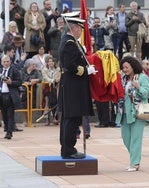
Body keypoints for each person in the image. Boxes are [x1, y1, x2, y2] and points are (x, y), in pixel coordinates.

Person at [58, 17, 96, 159]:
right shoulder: (69, 43)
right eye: (79, 29)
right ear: (73, 29)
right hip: (73, 85)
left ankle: (67, 148)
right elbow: (70, 65)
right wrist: (86, 71)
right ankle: (68, 149)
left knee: (70, 118)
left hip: (71, 85)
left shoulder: (71, 42)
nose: (80, 32)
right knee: (72, 118)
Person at [116, 56, 149, 172]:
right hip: (124, 113)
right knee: (126, 138)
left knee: (136, 139)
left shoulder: (142, 77)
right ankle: (134, 158)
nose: (124, 69)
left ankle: (134, 163)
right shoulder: (123, 79)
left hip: (137, 112)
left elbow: (146, 94)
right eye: (123, 67)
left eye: (126, 67)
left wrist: (138, 87)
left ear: (133, 66)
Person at [0, 55, 22, 139]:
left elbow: (20, 82)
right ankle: (7, 129)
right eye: (4, 62)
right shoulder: (1, 70)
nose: (6, 63)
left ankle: (9, 132)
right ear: (2, 63)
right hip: (2, 95)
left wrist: (11, 82)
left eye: (7, 61)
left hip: (10, 95)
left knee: (10, 114)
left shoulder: (14, 70)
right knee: (4, 114)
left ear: (10, 62)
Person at [41, 55, 61, 125]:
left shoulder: (58, 69)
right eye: (49, 61)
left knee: (55, 102)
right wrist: (51, 80)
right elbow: (45, 77)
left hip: (55, 88)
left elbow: (58, 77)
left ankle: (55, 117)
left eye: (52, 61)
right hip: (47, 88)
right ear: (47, 63)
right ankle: (46, 118)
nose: (51, 63)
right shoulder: (44, 69)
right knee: (46, 102)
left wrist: (55, 81)